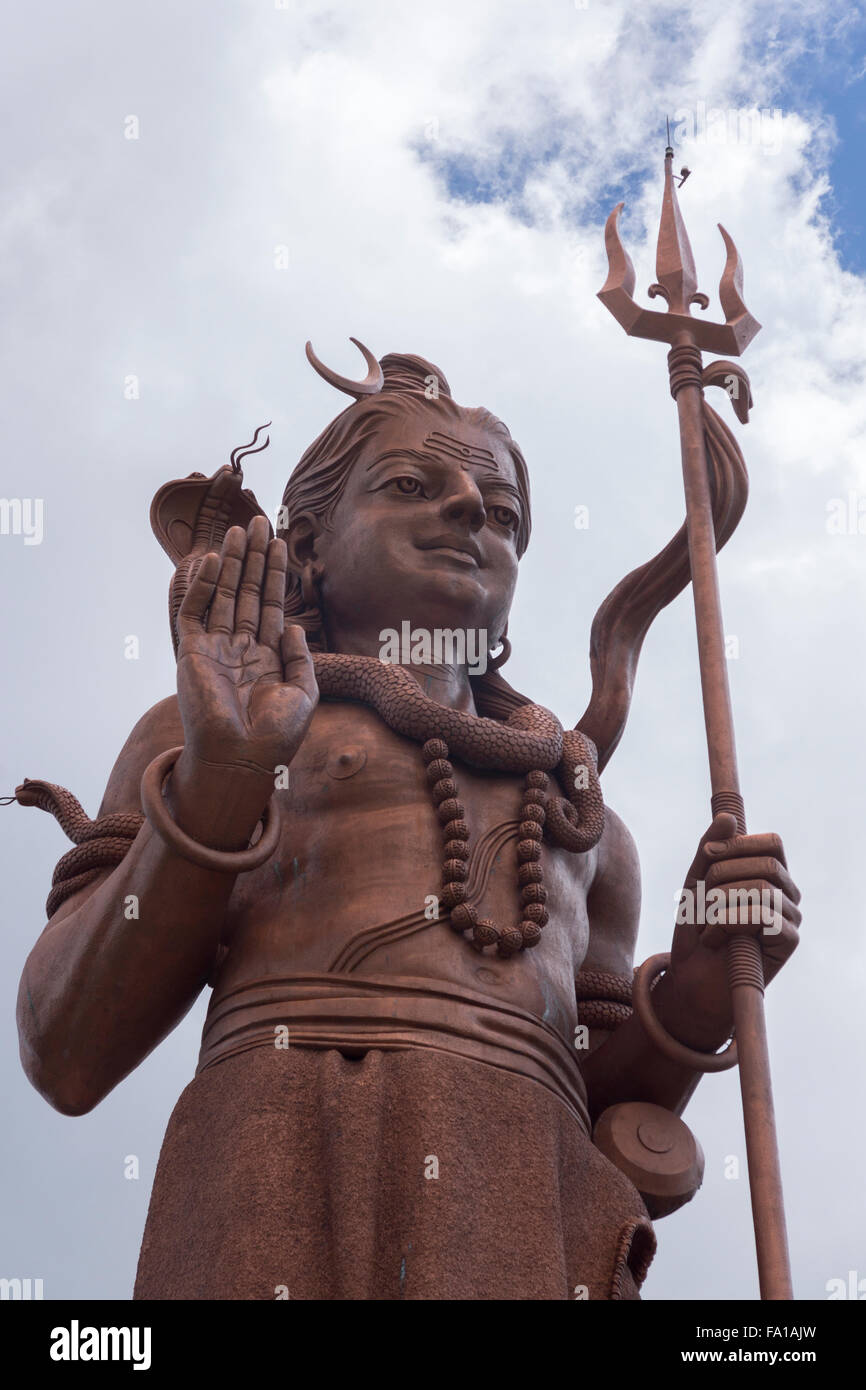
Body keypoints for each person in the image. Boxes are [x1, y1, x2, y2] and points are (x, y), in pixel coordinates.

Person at [16, 348, 800, 1300]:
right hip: (278, 1157)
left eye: (503, 511)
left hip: (521, 1202)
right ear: (305, 546)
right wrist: (223, 777)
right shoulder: (216, 730)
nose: (472, 509)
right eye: (410, 484)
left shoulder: (585, 824)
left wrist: (696, 1000)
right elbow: (66, 1048)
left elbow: (604, 1107)